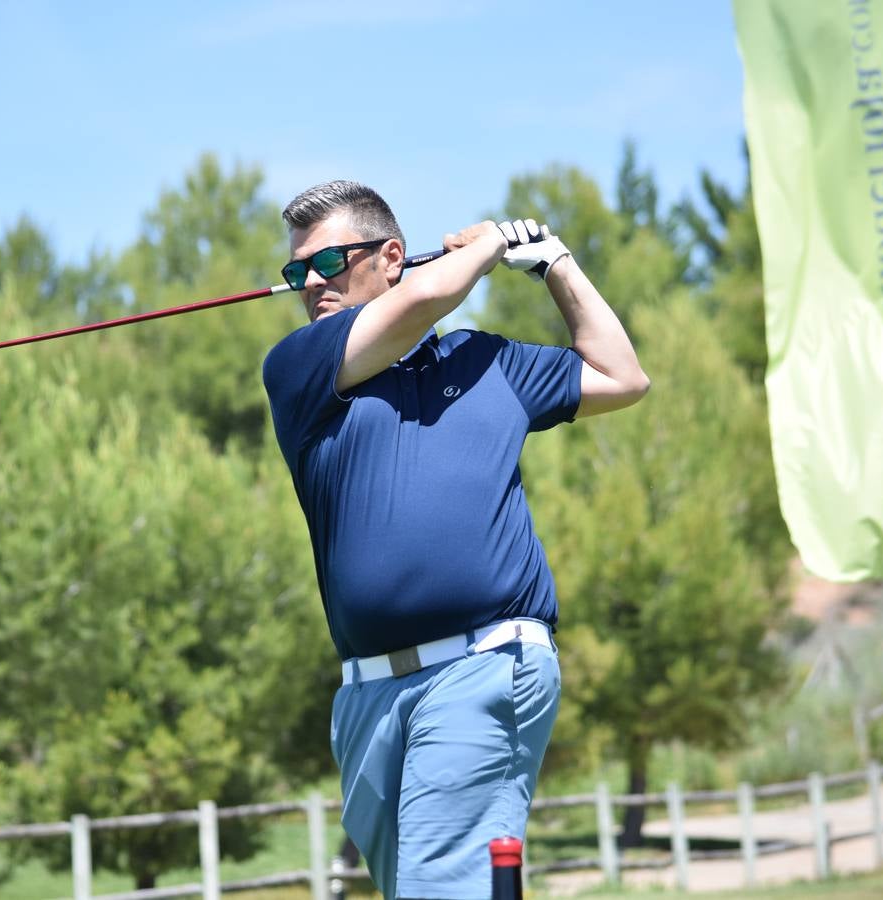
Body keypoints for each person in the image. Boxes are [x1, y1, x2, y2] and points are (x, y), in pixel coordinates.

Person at [262, 180, 648, 899]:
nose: (310, 282)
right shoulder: (300, 368)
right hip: (367, 699)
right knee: (423, 887)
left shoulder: (490, 363)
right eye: (296, 271)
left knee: (442, 887)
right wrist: (491, 248)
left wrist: (555, 264)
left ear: (392, 256)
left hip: (485, 665)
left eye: (329, 261)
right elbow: (419, 303)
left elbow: (623, 377)